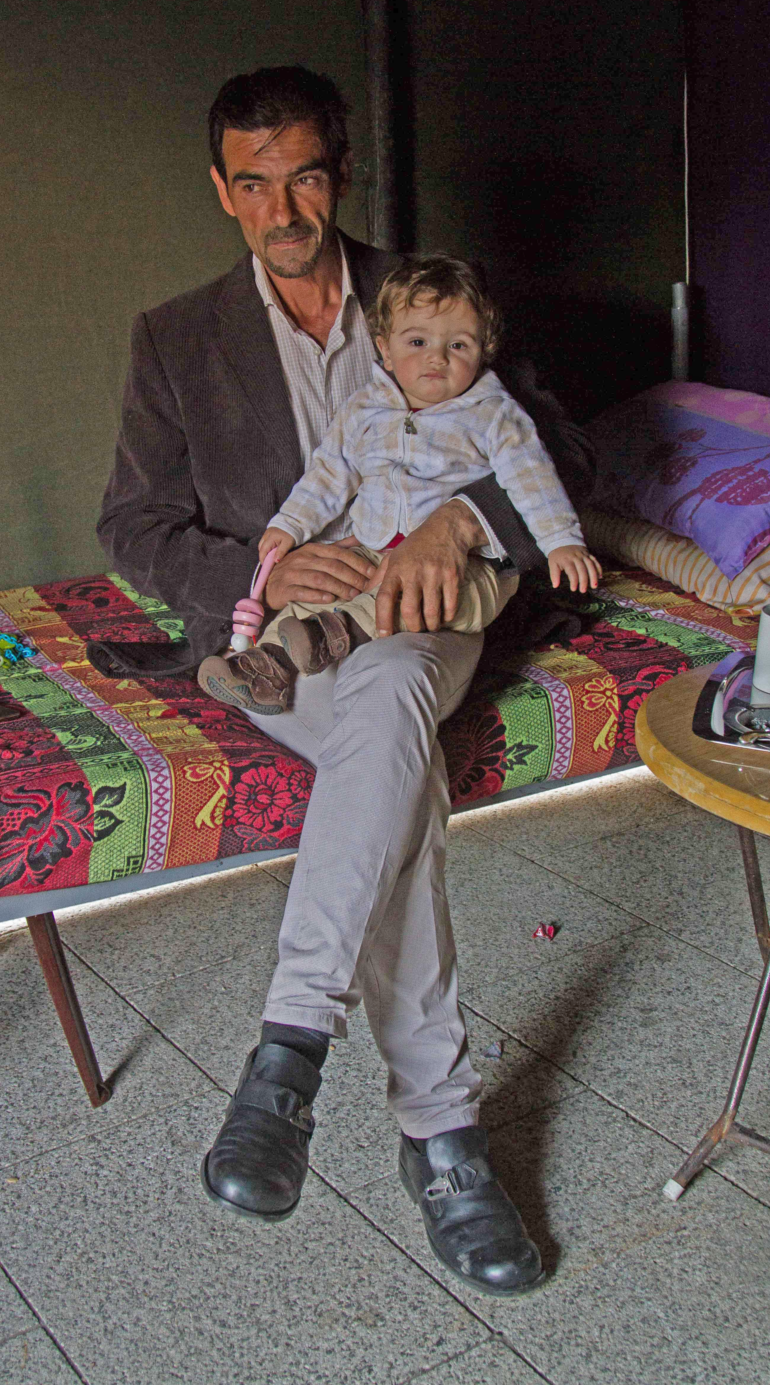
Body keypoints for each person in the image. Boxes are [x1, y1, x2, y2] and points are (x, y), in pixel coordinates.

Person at [98, 66, 593, 1296]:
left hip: (431, 612)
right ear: (223, 191)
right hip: (294, 630)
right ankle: (441, 1133)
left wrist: (463, 523)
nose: (284, 208)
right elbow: (133, 526)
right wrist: (268, 567)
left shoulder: (431, 294)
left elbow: (559, 450)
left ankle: (287, 1058)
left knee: (395, 689)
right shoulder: (175, 337)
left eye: (305, 176)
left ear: (341, 175)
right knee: (392, 758)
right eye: (254, 183)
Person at [198, 255, 601, 713]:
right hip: (373, 548)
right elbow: (330, 473)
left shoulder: (495, 414)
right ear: (385, 350)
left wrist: (562, 541)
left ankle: (337, 633)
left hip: (467, 565)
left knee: (440, 597)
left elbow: (535, 479)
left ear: (484, 351)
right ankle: (262, 668)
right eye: (417, 341)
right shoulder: (365, 410)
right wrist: (290, 524)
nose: (437, 357)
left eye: (458, 345)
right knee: (316, 594)